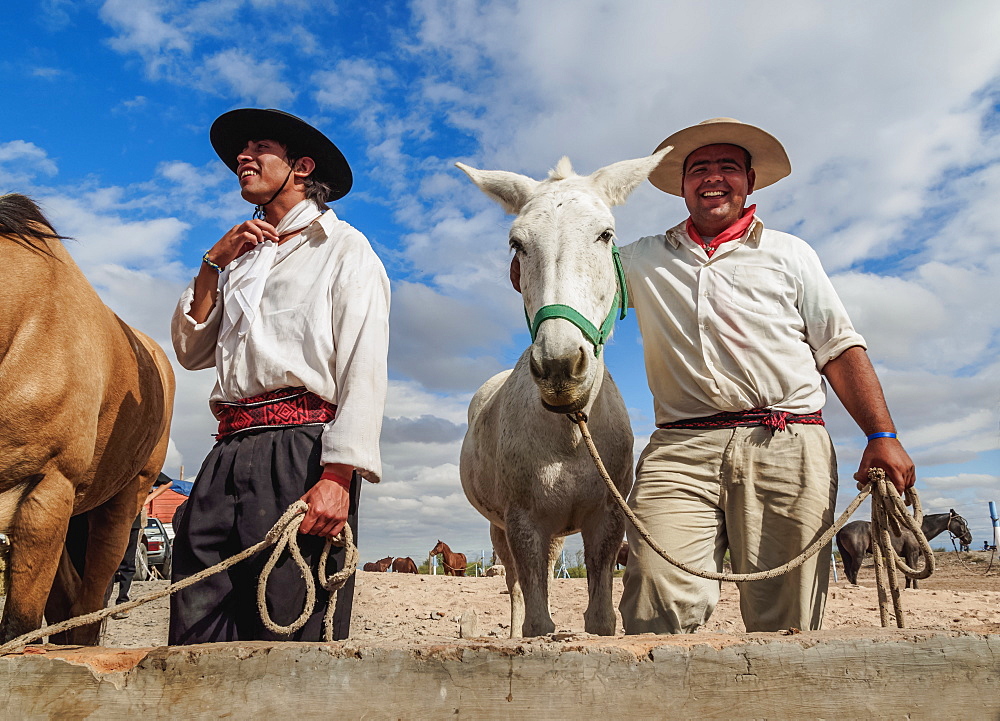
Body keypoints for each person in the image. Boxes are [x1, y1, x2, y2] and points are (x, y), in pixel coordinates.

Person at [615, 118, 915, 634]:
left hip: (788, 440)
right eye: (699, 169)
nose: (713, 178)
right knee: (654, 594)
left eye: (727, 167)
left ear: (749, 181)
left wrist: (882, 435)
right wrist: (531, 262)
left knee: (788, 617)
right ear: (683, 185)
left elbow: (839, 348)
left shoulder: (791, 253)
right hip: (680, 447)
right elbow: (573, 276)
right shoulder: (637, 259)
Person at [169, 108, 390, 643]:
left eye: (258, 148)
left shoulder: (344, 248)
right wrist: (211, 264)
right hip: (224, 454)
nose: (242, 158)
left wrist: (338, 478)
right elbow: (192, 350)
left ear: (301, 166)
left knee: (288, 630)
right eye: (240, 152)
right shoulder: (240, 260)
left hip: (300, 455)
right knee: (195, 626)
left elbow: (364, 362)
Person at [110, 512, 143, 620]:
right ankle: (101, 602)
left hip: (132, 521)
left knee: (128, 564)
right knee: (108, 564)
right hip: (108, 519)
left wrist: (146, 500)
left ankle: (123, 603)